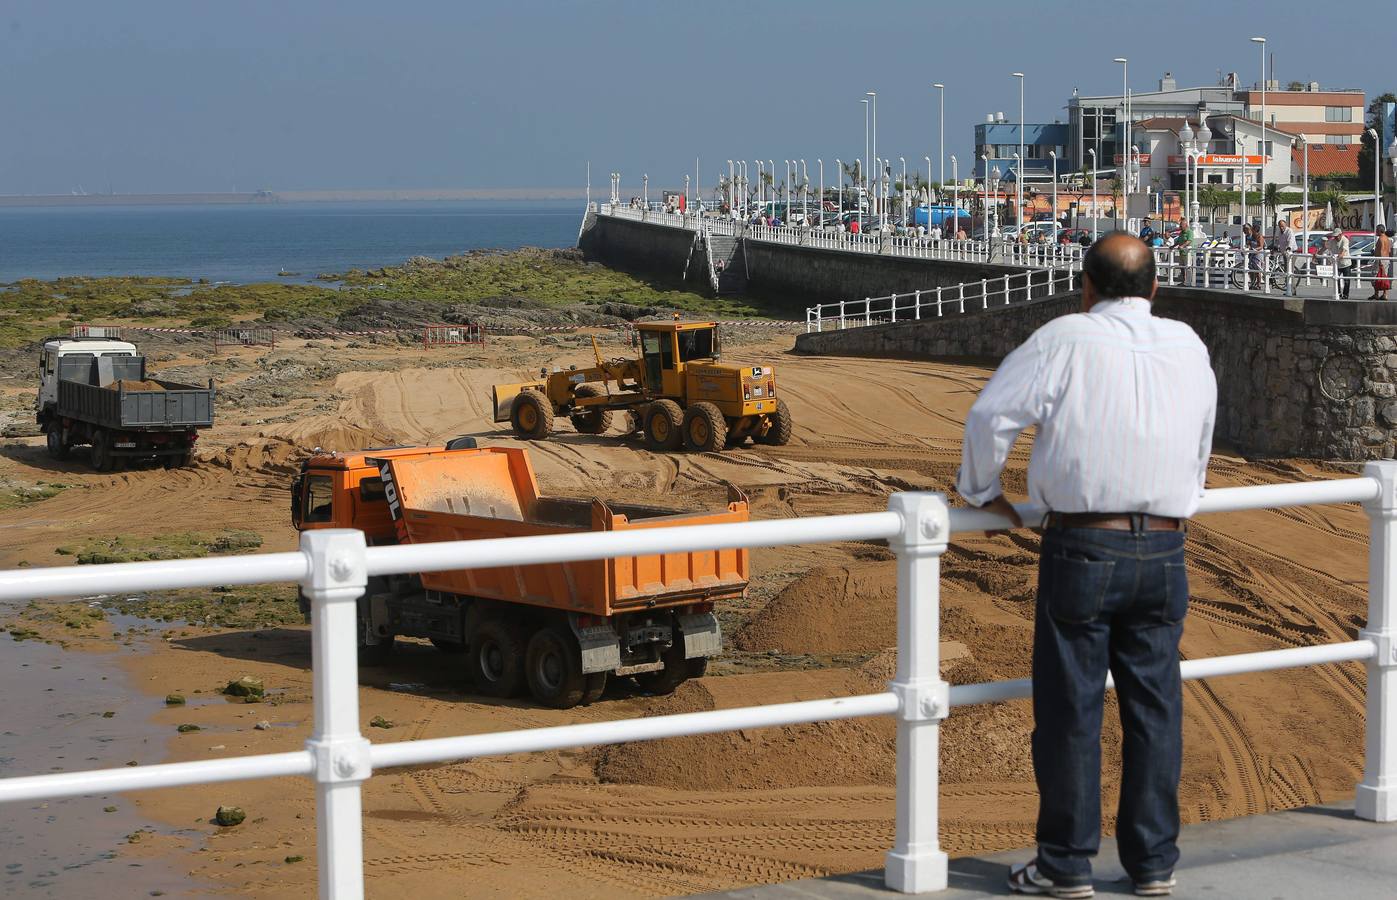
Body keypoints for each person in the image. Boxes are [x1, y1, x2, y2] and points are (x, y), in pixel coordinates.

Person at [958, 233, 1216, 900]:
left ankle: (1066, 865)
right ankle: (1152, 864)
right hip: (1164, 545)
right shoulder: (1186, 344)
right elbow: (1199, 440)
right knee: (1154, 709)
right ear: (1154, 288)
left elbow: (989, 417)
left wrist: (981, 493)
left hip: (1084, 547)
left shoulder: (1065, 337)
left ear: (1087, 286)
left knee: (1071, 711)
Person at [1328, 227, 1353, 299]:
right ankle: (1338, 293)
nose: (1335, 238)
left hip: (1346, 263)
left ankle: (1345, 294)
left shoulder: (1345, 240)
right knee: (1336, 279)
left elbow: (1343, 251)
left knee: (1347, 280)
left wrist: (1338, 257)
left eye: (1337, 236)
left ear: (1341, 234)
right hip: (1337, 264)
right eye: (1334, 236)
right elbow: (1326, 246)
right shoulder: (1332, 241)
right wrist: (1317, 253)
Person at [1370, 226, 1392, 301]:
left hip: (1380, 260)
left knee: (1374, 276)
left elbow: (1382, 250)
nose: (1376, 232)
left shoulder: (1381, 239)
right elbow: (1389, 250)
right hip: (1386, 259)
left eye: (1376, 230)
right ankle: (1384, 294)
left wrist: (1380, 261)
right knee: (1384, 277)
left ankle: (1376, 294)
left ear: (1379, 231)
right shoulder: (1387, 239)